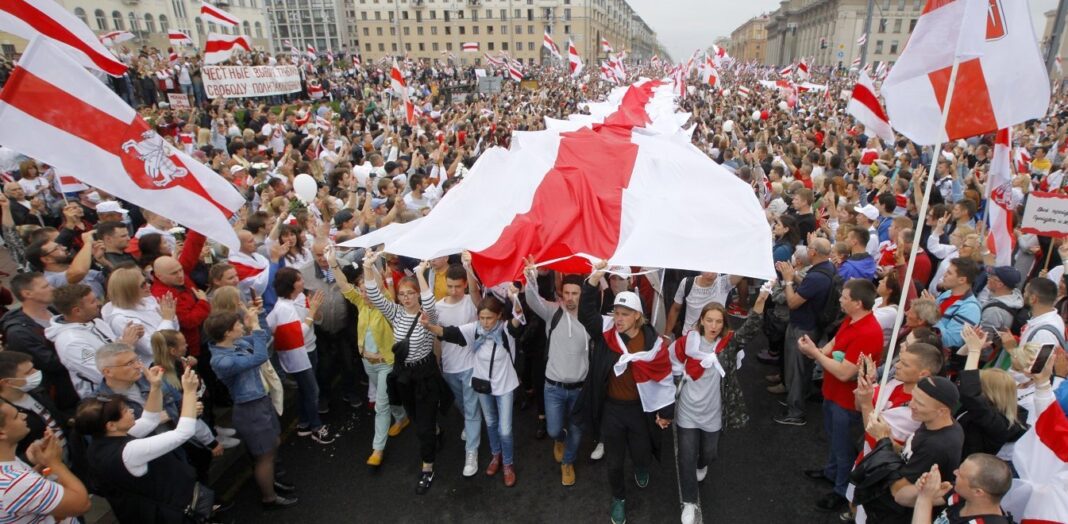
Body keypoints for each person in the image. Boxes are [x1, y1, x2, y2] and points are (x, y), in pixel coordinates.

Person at [575, 261, 674, 524]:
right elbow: (586, 313)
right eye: (616, 313)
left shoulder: (652, 342)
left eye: (625, 314)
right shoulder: (606, 332)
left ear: (638, 316)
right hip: (612, 410)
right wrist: (594, 279)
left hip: (640, 410)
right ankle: (618, 497)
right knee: (615, 463)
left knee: (642, 453)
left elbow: (664, 377)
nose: (618, 319)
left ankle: (642, 466)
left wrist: (665, 411)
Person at [670, 287, 768, 524]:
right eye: (709, 320)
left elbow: (751, 329)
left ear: (723, 323)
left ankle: (702, 464)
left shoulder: (728, 345)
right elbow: (670, 363)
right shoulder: (686, 343)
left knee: (709, 453)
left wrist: (761, 300)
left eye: (718, 321)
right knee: (686, 456)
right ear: (701, 321)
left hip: (713, 413)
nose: (713, 326)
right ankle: (690, 503)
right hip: (687, 412)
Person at [76, 364, 215, 523]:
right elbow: (183, 433)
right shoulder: (128, 452)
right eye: (125, 411)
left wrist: (155, 387)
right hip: (169, 513)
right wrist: (190, 392)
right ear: (111, 425)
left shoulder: (102, 441)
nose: (132, 411)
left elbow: (150, 419)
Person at [362, 251, 451, 495]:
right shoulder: (396, 313)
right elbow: (375, 296)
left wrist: (421, 274)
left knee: (422, 429)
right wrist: (368, 268)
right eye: (402, 294)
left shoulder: (427, 315)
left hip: (425, 375)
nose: (406, 298)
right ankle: (435, 429)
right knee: (418, 419)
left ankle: (427, 468)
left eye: (410, 293)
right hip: (405, 377)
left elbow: (430, 301)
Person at [797, 279, 884, 511]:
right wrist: (818, 351)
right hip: (832, 393)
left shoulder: (868, 332)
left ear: (857, 303)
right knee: (835, 440)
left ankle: (841, 490)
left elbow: (845, 373)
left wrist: (815, 354)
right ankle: (832, 472)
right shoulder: (853, 320)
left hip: (846, 401)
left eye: (844, 297)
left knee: (843, 447)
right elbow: (835, 343)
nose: (839, 300)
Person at [424, 293, 524, 487]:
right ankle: (496, 456)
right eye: (482, 317)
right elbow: (448, 333)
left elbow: (518, 317)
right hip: (482, 384)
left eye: (490, 318)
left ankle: (508, 464)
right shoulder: (474, 330)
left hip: (504, 385)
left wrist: (515, 296)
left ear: (499, 316)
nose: (485, 323)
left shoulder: (506, 330)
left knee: (505, 429)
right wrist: (428, 326)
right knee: (491, 422)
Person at [207, 308, 297, 510]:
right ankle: (269, 497)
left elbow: (263, 340)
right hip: (251, 409)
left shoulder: (235, 343)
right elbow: (259, 356)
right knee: (264, 455)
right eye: (237, 325)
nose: (241, 326)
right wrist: (254, 327)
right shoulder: (222, 360)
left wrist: (257, 321)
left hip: (260, 402)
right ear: (227, 332)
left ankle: (270, 481)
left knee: (272, 444)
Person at [328, 249, 405, 468]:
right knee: (386, 397)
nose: (363, 294)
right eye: (361, 291)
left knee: (380, 405)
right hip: (367, 363)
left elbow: (378, 285)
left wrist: (369, 267)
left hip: (386, 364)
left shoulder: (386, 306)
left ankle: (377, 449)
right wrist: (333, 263)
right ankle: (402, 417)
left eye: (367, 290)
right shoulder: (361, 304)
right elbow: (344, 286)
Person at [862, 376, 965, 524]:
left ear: (942, 411)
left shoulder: (937, 446)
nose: (911, 404)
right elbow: (907, 453)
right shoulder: (936, 422)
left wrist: (882, 440)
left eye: (919, 403)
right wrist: (887, 436)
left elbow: (898, 491)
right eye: (913, 398)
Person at [523, 262, 589, 487]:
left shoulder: (590, 318)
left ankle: (567, 463)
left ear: (582, 295)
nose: (570, 298)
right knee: (553, 429)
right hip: (553, 387)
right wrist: (530, 278)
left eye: (575, 293)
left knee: (577, 431)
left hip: (580, 388)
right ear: (562, 293)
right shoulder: (553, 311)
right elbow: (533, 300)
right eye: (567, 293)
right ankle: (559, 440)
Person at [266, 267, 333, 444]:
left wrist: (315, 311)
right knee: (312, 390)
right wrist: (312, 313)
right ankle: (316, 428)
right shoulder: (283, 309)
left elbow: (314, 320)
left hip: (310, 348)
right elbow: (297, 335)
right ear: (291, 285)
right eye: (299, 279)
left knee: (305, 389)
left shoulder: (301, 297)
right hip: (299, 356)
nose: (303, 282)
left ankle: (304, 424)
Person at [774, 237, 835, 426]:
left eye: (809, 247)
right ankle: (798, 397)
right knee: (802, 369)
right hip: (812, 326)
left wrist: (787, 281)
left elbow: (793, 302)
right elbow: (809, 287)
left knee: (797, 370)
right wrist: (795, 275)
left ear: (813, 252)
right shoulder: (827, 269)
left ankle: (795, 411)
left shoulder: (816, 277)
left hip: (803, 328)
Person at [0, 397, 91, 522]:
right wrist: (55, 463)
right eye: (16, 416)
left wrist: (39, 464)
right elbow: (82, 504)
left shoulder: (8, 465)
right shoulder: (14, 482)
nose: (24, 416)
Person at [45, 283, 143, 399]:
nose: (98, 303)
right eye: (92, 302)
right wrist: (127, 346)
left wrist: (130, 336)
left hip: (133, 385)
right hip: (111, 398)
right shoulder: (71, 343)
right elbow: (102, 374)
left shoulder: (96, 322)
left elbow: (112, 347)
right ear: (77, 311)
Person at [0, 272, 79, 413]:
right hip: (65, 394)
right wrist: (81, 352)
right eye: (45, 286)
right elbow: (49, 363)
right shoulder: (19, 333)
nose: (52, 288)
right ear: (28, 294)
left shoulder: (52, 309)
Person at [432, 255, 482, 477]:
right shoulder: (437, 307)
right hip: (450, 366)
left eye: (458, 287)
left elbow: (476, 292)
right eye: (450, 286)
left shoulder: (471, 302)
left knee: (470, 409)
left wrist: (469, 266)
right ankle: (473, 426)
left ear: (464, 285)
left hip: (471, 364)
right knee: (462, 404)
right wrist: (437, 361)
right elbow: (436, 338)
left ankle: (472, 452)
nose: (454, 291)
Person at [957, 325, 1028, 457]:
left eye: (979, 384)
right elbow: (959, 374)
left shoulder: (1000, 423)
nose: (975, 384)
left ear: (989, 392)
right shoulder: (988, 410)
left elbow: (969, 393)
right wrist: (969, 347)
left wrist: (974, 351)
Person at [102, 267, 179, 365]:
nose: (148, 285)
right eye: (143, 285)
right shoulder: (120, 319)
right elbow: (151, 348)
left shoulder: (147, 299)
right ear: (129, 290)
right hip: (156, 366)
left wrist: (171, 317)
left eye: (146, 281)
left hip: (172, 355)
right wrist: (167, 319)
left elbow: (174, 330)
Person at [910, 454, 1014, 524]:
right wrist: (923, 488)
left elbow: (923, 501)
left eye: (960, 474)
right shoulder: (962, 494)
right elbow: (901, 498)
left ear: (978, 492)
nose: (955, 472)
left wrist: (925, 498)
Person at [931, 258, 981, 355]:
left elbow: (950, 342)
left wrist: (932, 311)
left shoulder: (971, 309)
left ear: (962, 280)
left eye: (949, 273)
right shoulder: (947, 294)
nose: (944, 275)